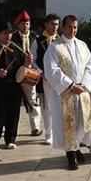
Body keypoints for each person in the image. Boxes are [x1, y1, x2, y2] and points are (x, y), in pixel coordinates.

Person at [45, 15, 91, 170]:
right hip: (65, 93)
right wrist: (70, 85)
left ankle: (77, 147)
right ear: (63, 27)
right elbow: (52, 70)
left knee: (81, 122)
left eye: (75, 27)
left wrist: (84, 84)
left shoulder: (82, 45)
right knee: (67, 125)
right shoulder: (54, 47)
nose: (72, 30)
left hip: (81, 91)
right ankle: (70, 155)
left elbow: (90, 65)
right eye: (69, 27)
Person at [11, 11, 43, 137]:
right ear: (18, 25)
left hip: (31, 72)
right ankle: (10, 128)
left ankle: (35, 127)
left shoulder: (35, 37)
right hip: (16, 72)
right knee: (14, 101)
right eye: (23, 24)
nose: (25, 26)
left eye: (27, 24)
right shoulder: (13, 38)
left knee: (32, 99)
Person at [36, 14, 60, 145]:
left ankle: (58, 132)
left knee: (58, 104)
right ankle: (49, 134)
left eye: (57, 24)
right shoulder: (38, 41)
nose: (54, 27)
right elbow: (33, 60)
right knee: (46, 106)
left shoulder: (60, 40)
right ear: (46, 24)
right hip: (44, 78)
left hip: (57, 78)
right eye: (52, 24)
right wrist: (41, 72)